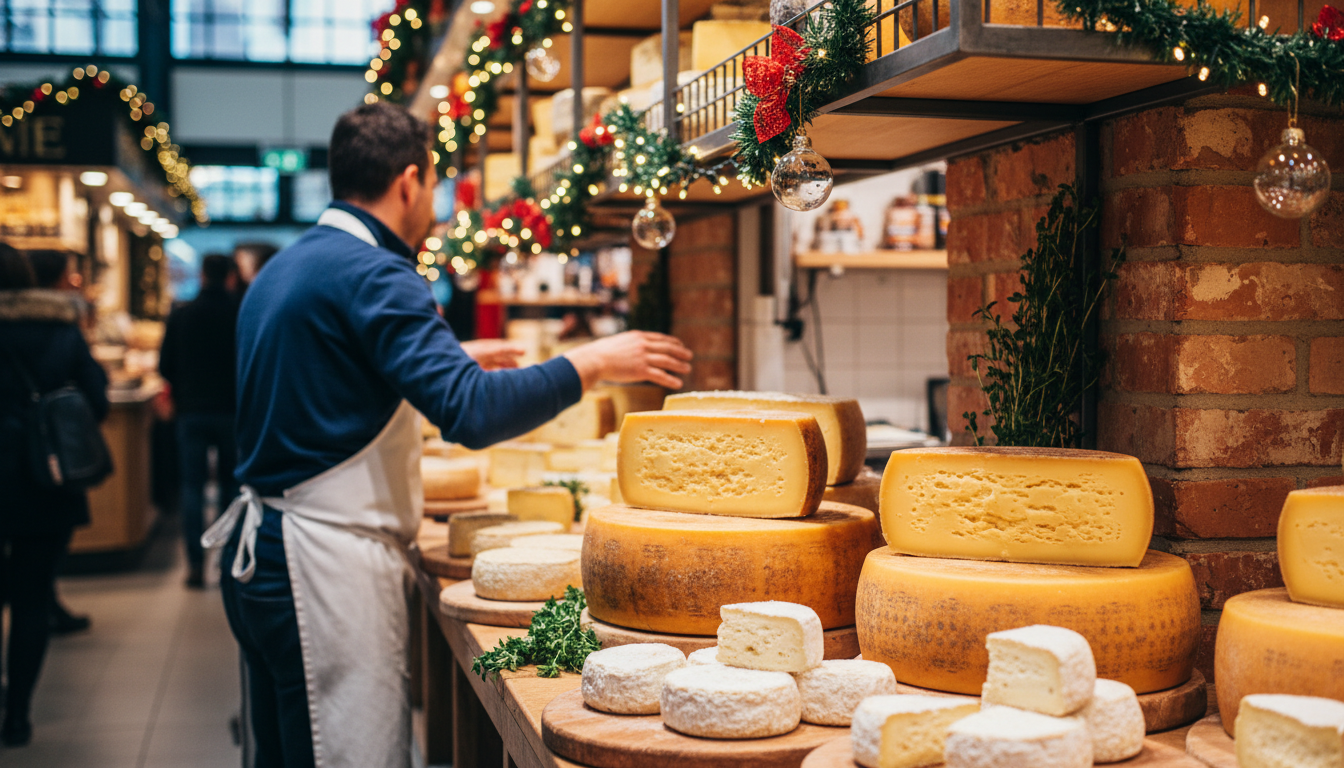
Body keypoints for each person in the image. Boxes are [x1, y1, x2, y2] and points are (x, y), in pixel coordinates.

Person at [207, 101, 692, 768]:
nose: (435, 207)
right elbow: (472, 414)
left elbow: (328, 372)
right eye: (435, 184)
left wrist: (453, 352)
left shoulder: (294, 266)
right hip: (318, 564)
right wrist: (593, 362)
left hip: (264, 554)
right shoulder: (376, 271)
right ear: (408, 181)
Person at [0, 243, 109, 746]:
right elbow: (96, 401)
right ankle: (18, 713)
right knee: (32, 598)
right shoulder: (61, 331)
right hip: (46, 484)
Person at [159, 254, 240, 588]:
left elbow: (164, 365)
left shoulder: (182, 314)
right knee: (231, 488)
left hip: (191, 411)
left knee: (192, 487)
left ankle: (195, 564)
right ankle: (229, 561)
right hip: (232, 412)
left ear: (203, 274)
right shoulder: (240, 313)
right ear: (230, 276)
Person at [25, 249, 93, 633]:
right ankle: (19, 693)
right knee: (38, 573)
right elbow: (94, 394)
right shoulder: (63, 330)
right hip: (49, 466)